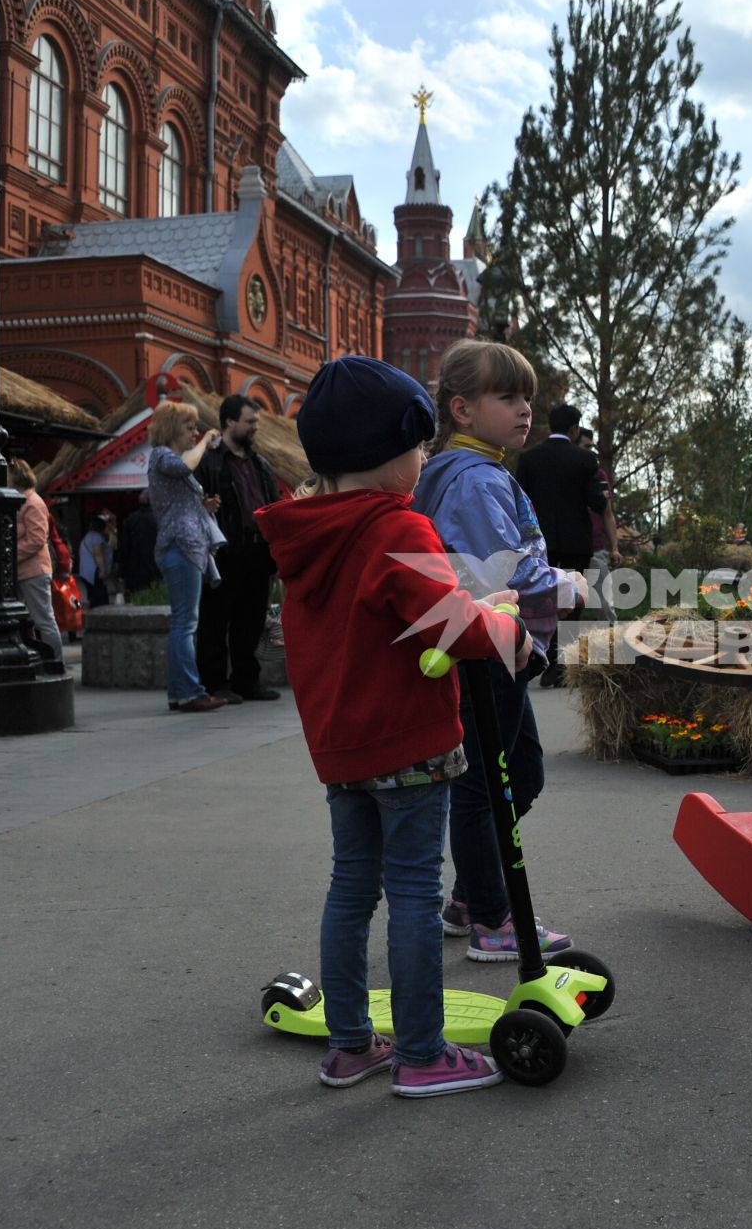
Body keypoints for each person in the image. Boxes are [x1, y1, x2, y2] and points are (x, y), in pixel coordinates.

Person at [254, 353, 527, 1097]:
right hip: (409, 739)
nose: (425, 457)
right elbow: (455, 625)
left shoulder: (305, 536)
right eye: (419, 445)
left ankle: (351, 1045)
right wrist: (511, 633)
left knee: (351, 887)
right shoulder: (397, 528)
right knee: (413, 890)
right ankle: (422, 1052)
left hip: (341, 744)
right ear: (387, 452)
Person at [412, 340, 581, 963]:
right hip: (485, 651)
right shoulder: (474, 480)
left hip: (503, 650)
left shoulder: (477, 473)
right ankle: (491, 915)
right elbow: (498, 572)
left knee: (521, 774)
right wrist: (568, 586)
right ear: (461, 408)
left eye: (528, 399)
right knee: (485, 786)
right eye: (507, 397)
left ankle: (469, 893)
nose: (524, 410)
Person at [195, 394, 284, 703]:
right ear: (230, 422)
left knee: (251, 620)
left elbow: (271, 505)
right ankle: (214, 683)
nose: (255, 427)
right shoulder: (210, 462)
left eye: (256, 421)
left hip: (257, 552)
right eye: (250, 422)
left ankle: (247, 681)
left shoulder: (260, 463)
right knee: (215, 621)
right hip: (223, 552)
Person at [515, 403, 604, 688]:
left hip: (542, 543)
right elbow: (597, 503)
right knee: (573, 600)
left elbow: (518, 501)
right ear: (575, 429)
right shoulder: (585, 461)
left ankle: (545, 658)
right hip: (577, 541)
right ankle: (563, 665)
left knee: (547, 597)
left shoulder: (530, 459)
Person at [146, 401, 228, 712]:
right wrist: (207, 440)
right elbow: (185, 467)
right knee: (185, 622)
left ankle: (181, 691)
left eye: (196, 429)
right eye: (189, 427)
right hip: (181, 545)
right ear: (171, 429)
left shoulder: (164, 458)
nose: (194, 434)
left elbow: (176, 500)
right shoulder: (164, 455)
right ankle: (189, 692)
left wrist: (203, 506)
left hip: (182, 545)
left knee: (185, 621)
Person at [3, 459, 65, 662]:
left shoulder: (33, 503)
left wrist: (9, 554)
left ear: (16, 476)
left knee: (43, 620)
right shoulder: (21, 501)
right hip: (23, 570)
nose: (5, 478)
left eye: (8, 474)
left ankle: (55, 662)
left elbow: (37, 540)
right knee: (28, 619)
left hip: (33, 571)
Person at [575, 426, 620, 625]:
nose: (590, 452)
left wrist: (615, 547)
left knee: (605, 604)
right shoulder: (563, 473)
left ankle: (613, 644)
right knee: (568, 604)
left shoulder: (598, 475)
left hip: (596, 549)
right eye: (585, 447)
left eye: (591, 447)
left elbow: (608, 513)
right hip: (570, 548)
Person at [115, 491, 160, 598]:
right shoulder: (160, 519)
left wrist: (121, 570)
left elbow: (124, 548)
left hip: (135, 569)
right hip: (157, 566)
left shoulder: (130, 520)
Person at [79, 512, 114, 609]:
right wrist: (102, 570)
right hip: (94, 571)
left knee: (92, 596)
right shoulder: (96, 537)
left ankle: (93, 615)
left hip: (85, 572)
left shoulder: (88, 537)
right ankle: (102, 616)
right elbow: (98, 554)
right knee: (100, 598)